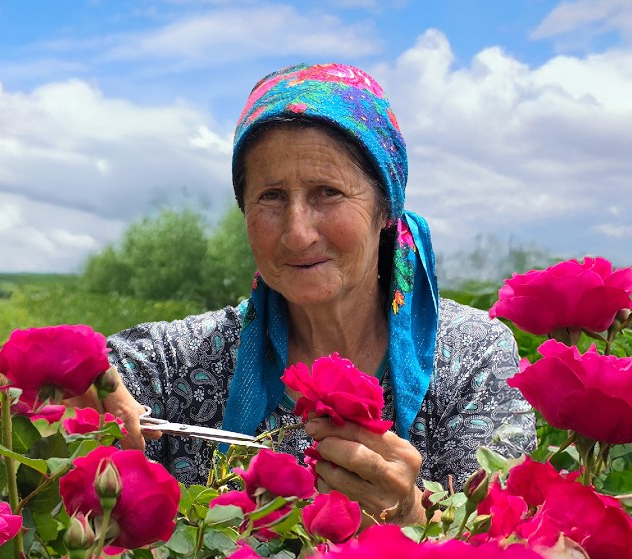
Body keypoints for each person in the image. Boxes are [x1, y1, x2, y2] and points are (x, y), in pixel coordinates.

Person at [97, 63, 535, 525]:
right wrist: (78, 387)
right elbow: (91, 378)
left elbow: (502, 543)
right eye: (271, 196)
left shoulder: (473, 358)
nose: (298, 233)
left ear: (386, 207)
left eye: (327, 192)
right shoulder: (177, 363)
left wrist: (411, 518)